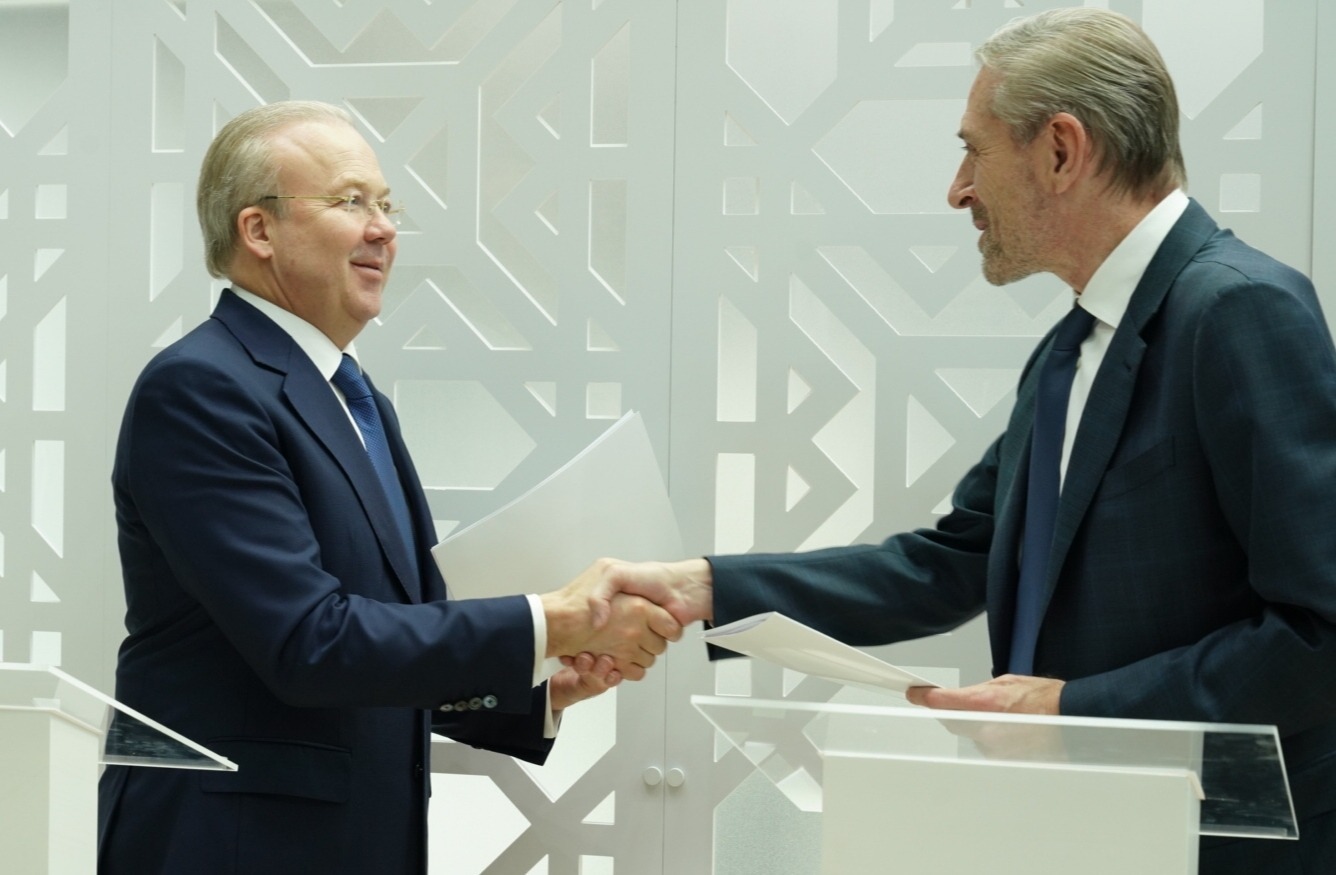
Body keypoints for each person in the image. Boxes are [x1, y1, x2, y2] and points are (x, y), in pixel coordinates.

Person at [600, 9, 1336, 873]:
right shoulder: (1067, 351)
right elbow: (950, 563)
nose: (958, 190)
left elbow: (1319, 631)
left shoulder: (1239, 308)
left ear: (1060, 150)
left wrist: (1071, 712)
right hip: (1087, 838)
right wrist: (704, 588)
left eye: (973, 151)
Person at [97, 100, 680, 875]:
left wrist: (543, 689)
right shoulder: (202, 388)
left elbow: (389, 635)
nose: (383, 230)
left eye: (386, 205)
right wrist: (550, 620)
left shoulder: (358, 398)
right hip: (232, 845)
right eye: (351, 201)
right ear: (258, 230)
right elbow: (311, 641)